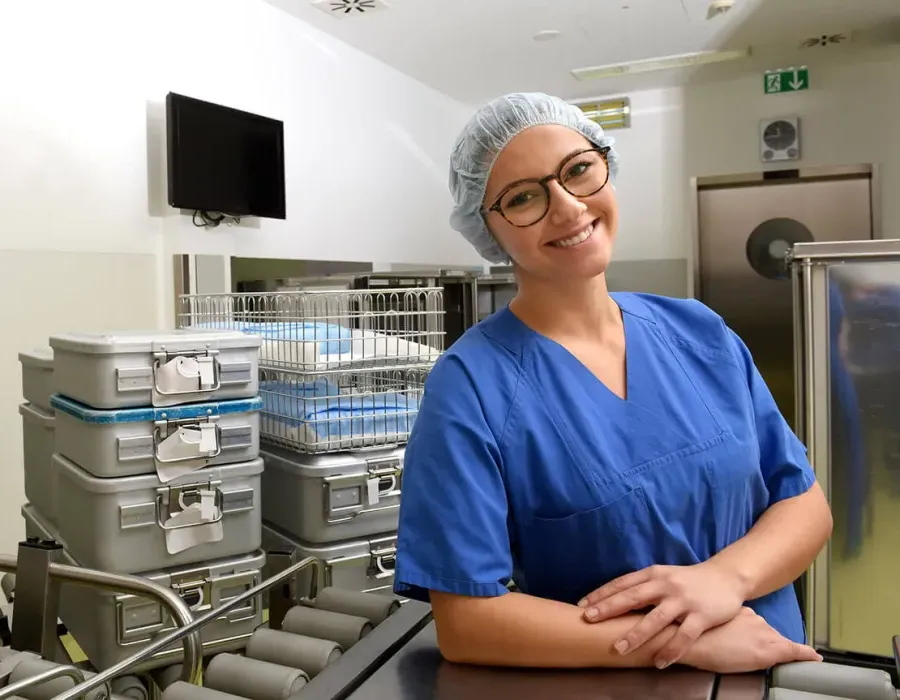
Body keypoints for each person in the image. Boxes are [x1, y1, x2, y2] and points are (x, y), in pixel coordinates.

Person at [392, 93, 833, 673]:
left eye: (578, 170)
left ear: (606, 168)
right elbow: (467, 623)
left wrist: (721, 581)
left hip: (772, 667)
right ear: (489, 231)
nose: (568, 207)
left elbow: (804, 504)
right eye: (523, 197)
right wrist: (680, 640)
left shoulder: (700, 331)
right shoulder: (471, 386)